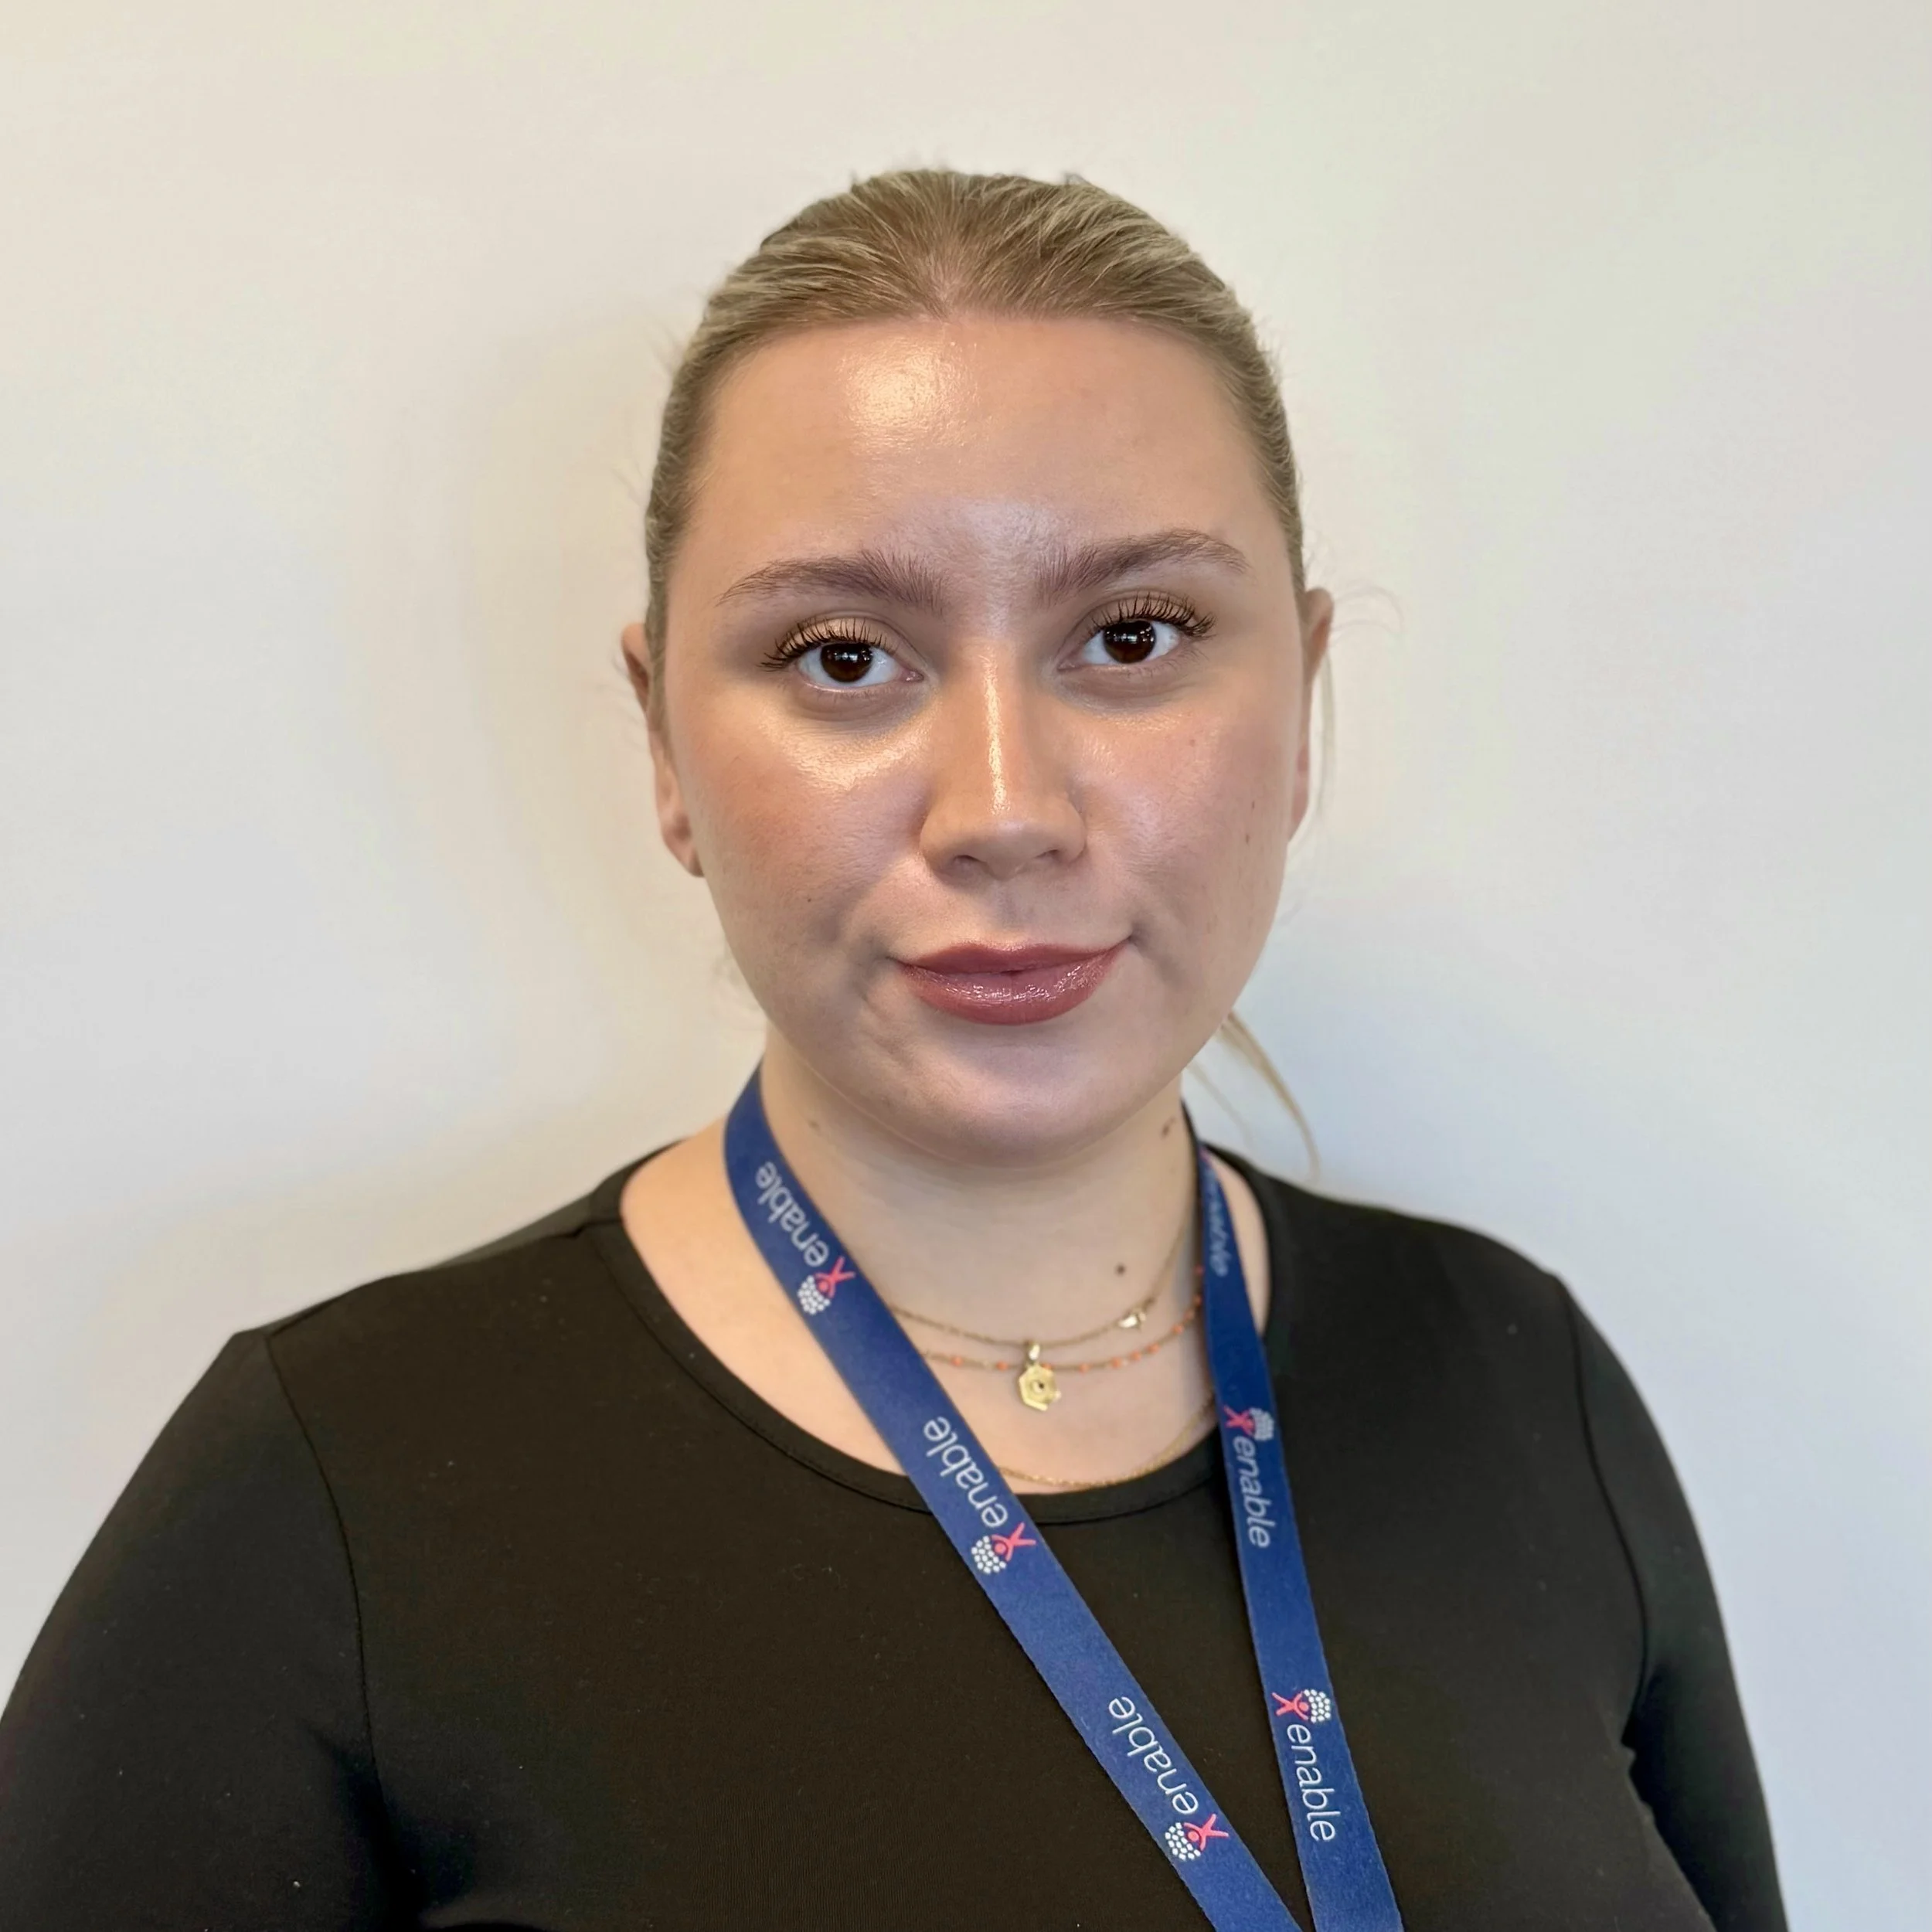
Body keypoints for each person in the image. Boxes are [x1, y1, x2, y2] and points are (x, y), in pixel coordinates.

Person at [0, 170, 1785, 1931]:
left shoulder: (1517, 1376)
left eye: (1134, 634)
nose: (1004, 810)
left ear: (1300, 701)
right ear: (662, 742)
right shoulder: (327, 1498)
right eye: (842, 653)